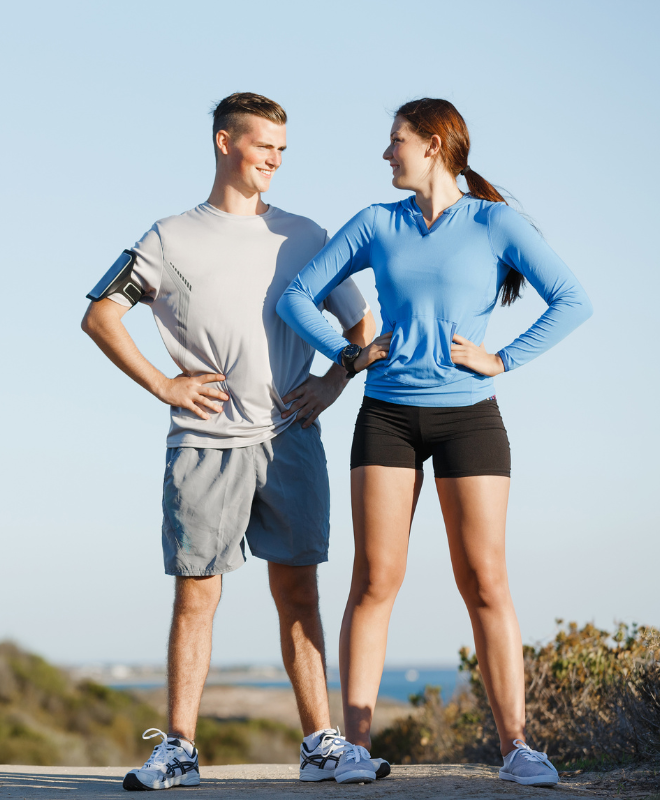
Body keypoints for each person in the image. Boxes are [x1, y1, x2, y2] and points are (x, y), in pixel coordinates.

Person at [277, 98, 592, 788]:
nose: (386, 154)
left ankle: (517, 748)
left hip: (469, 418)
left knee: (485, 581)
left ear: (436, 144)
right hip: (387, 415)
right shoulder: (376, 222)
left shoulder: (495, 223)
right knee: (375, 580)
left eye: (396, 142)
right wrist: (350, 356)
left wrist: (502, 359)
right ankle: (354, 750)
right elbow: (296, 296)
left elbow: (572, 300)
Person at [81, 92, 385, 791]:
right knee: (196, 598)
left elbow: (363, 332)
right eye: (262, 146)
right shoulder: (168, 237)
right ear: (224, 143)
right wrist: (164, 384)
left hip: (290, 439)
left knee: (299, 595)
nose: (274, 160)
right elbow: (100, 315)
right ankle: (179, 751)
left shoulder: (307, 236)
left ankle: (320, 746)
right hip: (203, 442)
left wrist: (334, 382)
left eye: (283, 150)